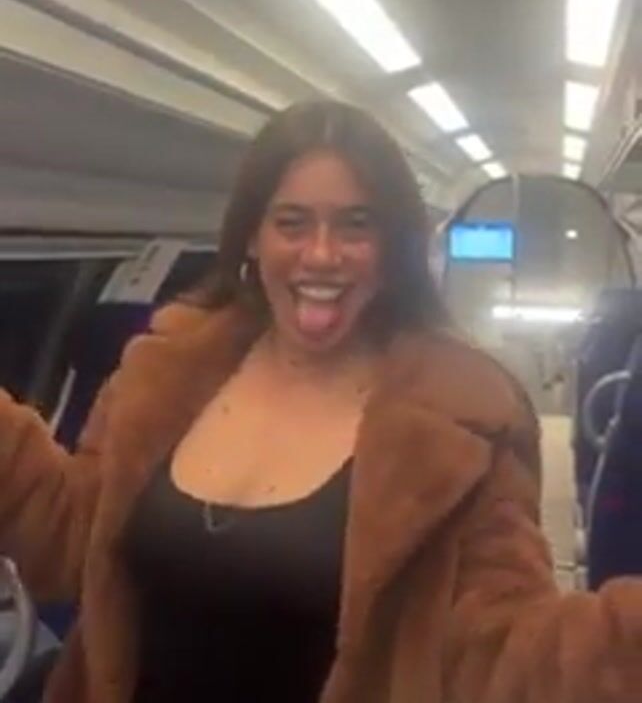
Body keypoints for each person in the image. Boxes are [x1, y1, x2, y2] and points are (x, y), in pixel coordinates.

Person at [0, 100, 642, 703]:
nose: (322, 254)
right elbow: (76, 538)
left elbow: (498, 645)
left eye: (356, 225)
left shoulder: (460, 417)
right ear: (252, 238)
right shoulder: (166, 371)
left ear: (393, 247)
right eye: (292, 223)